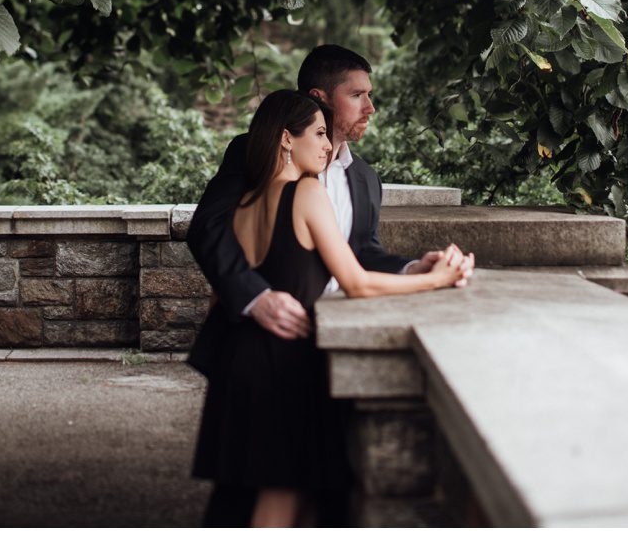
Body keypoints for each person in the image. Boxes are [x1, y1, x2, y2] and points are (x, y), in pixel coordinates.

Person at [187, 45, 475, 526]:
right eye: (357, 95)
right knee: (258, 495)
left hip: (323, 348)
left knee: (313, 496)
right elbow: (208, 229)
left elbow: (360, 252)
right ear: (320, 98)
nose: (370, 107)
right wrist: (256, 297)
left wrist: (413, 268)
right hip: (274, 341)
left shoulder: (364, 179)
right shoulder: (257, 156)